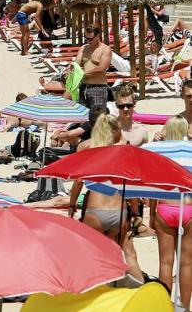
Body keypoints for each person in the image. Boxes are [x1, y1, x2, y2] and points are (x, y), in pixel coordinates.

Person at [67, 114, 144, 282]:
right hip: (119, 211)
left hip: (95, 210)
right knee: (127, 255)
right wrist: (135, 212)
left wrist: (72, 205)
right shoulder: (123, 151)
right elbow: (129, 185)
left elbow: (79, 181)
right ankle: (142, 290)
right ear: (114, 131)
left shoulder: (86, 147)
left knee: (91, 256)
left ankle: (95, 291)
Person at [150, 115, 192, 308]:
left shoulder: (160, 154)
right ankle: (185, 306)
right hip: (188, 207)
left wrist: (152, 213)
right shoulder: (190, 151)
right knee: (187, 263)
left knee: (165, 263)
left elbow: (153, 186)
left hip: (165, 207)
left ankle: (166, 306)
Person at [74, 26, 112, 111]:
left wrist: (83, 74)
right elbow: (76, 64)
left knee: (98, 115)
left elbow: (101, 68)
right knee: (83, 115)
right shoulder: (84, 48)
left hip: (98, 87)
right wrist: (71, 68)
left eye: (91, 39)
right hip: (84, 86)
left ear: (98, 36)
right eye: (86, 39)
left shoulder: (105, 49)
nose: (88, 41)